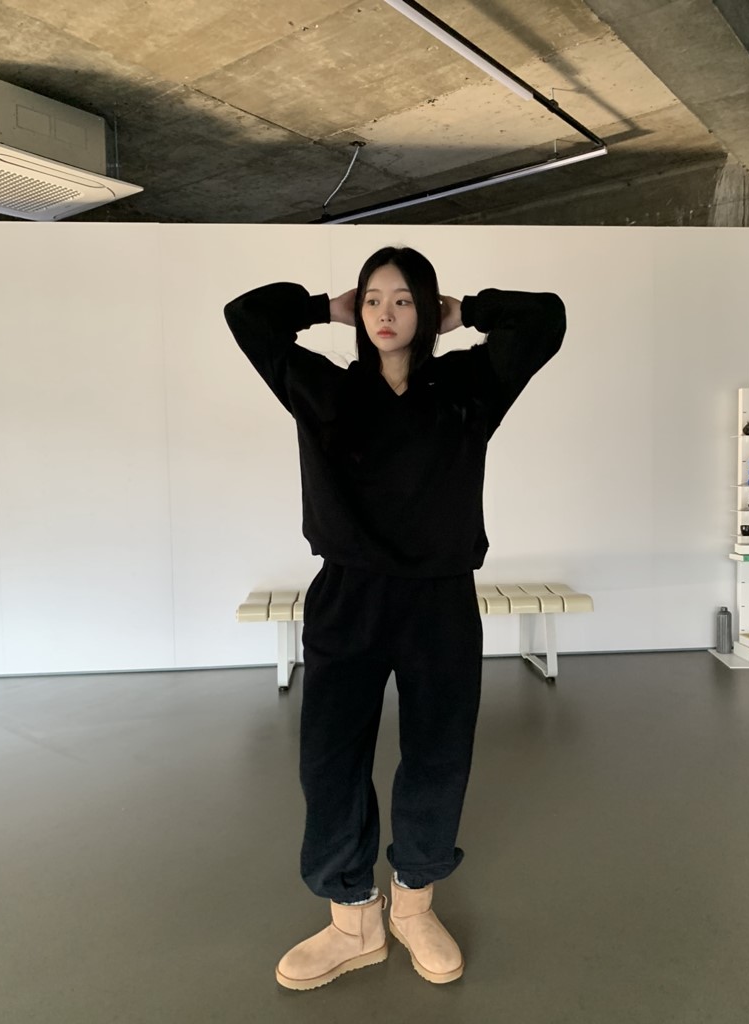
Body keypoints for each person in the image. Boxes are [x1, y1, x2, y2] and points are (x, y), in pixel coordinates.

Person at [224, 245, 566, 991]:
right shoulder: (323, 388)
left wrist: (465, 311)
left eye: (404, 298)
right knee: (330, 758)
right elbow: (247, 316)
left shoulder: (469, 386)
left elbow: (544, 319)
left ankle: (414, 903)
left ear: (428, 308)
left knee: (438, 752)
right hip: (348, 595)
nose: (385, 312)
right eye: (373, 298)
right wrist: (323, 306)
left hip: (438, 600)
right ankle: (354, 919)